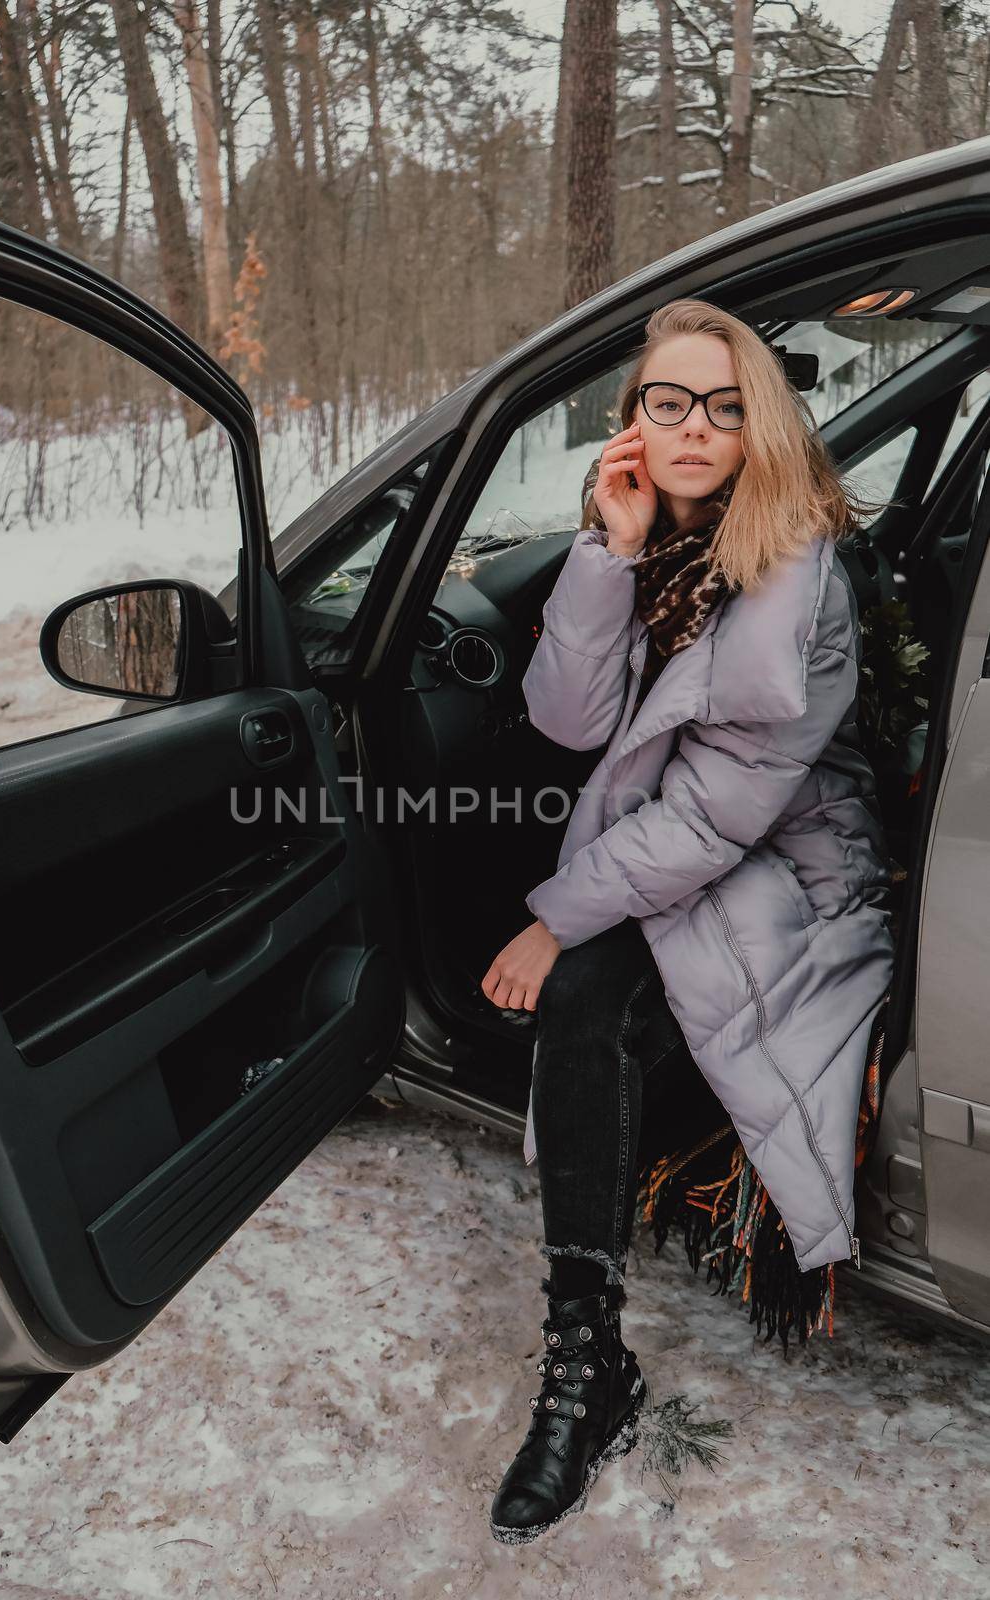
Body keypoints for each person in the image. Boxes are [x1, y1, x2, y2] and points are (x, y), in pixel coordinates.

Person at [481, 297, 896, 1545]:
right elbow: (565, 720)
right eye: (668, 402)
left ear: (757, 421)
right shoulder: (646, 540)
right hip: (675, 834)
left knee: (584, 991)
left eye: (725, 404)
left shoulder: (790, 572)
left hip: (781, 856)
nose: (696, 427)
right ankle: (589, 1358)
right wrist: (605, 549)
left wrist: (554, 919)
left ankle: (580, 1362)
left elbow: (717, 820)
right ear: (629, 426)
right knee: (584, 982)